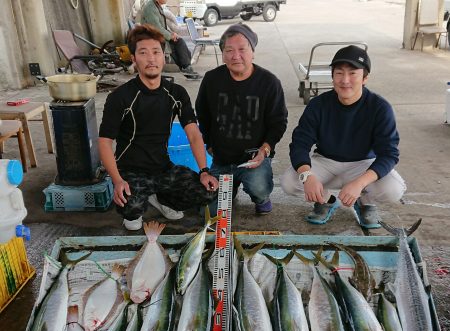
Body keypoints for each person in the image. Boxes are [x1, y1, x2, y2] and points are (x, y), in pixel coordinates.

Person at [98, 24, 218, 231]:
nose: (151, 59)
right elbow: (105, 142)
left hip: (163, 168)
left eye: (156, 52)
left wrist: (204, 171)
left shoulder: (177, 93)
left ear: (164, 56)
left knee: (206, 191)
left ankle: (162, 200)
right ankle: (141, 198)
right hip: (131, 170)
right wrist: (117, 180)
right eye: (143, 53)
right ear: (134, 59)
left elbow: (194, 135)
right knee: (133, 211)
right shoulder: (120, 97)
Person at [281, 45, 406, 229]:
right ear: (332, 76)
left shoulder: (380, 108)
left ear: (365, 77)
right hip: (325, 162)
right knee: (289, 183)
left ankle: (364, 201)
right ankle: (327, 200)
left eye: (353, 73)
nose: (345, 80)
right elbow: (299, 143)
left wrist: (359, 183)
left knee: (393, 189)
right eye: (339, 73)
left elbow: (389, 154)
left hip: (363, 164)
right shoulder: (318, 105)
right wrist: (307, 175)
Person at [195, 23, 288, 215]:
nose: (235, 56)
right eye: (229, 50)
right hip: (222, 159)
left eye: (242, 49)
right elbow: (202, 112)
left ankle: (261, 198)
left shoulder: (269, 82)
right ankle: (231, 187)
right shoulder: (212, 79)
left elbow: (279, 122)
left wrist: (265, 149)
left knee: (258, 187)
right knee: (210, 212)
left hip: (254, 158)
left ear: (252, 51)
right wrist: (209, 142)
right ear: (223, 54)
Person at [140, 0, 201, 79]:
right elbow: (157, 29)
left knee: (179, 42)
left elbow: (162, 27)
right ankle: (186, 69)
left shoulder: (156, 6)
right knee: (177, 43)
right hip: (151, 38)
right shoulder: (150, 8)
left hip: (157, 36)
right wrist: (170, 36)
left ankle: (186, 68)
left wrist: (172, 34)